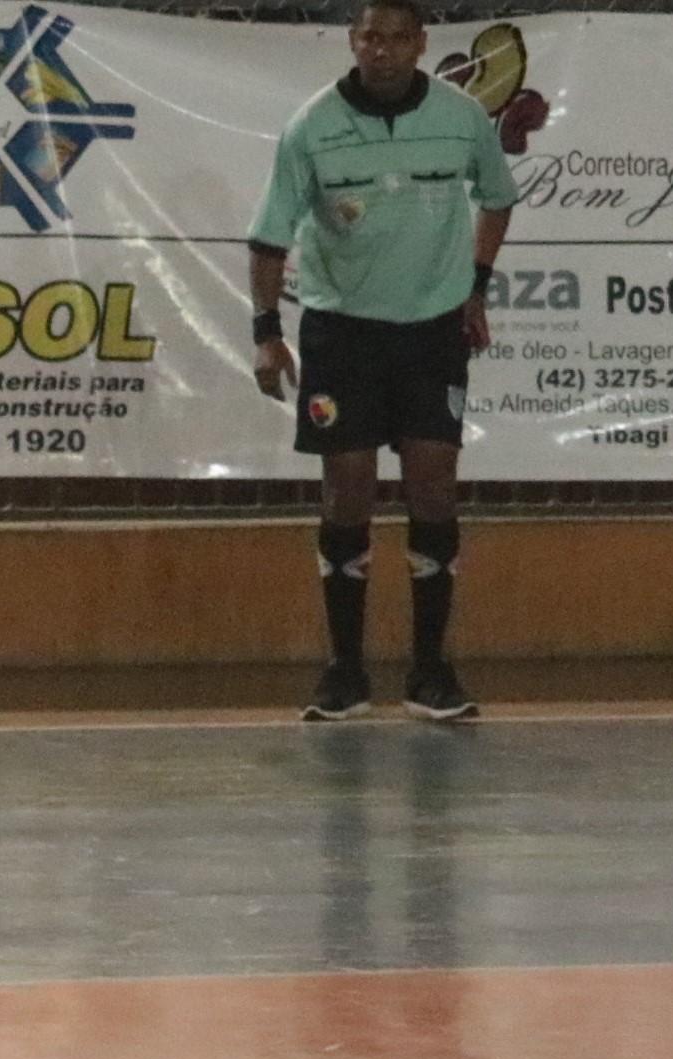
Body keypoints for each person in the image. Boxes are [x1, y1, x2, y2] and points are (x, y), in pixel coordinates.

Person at [249, 0, 518, 725]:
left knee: (433, 487)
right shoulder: (311, 126)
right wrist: (266, 330)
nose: (385, 51)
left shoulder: (462, 118)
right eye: (371, 36)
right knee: (348, 491)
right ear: (352, 40)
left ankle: (431, 671)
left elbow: (498, 197)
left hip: (432, 334)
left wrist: (475, 286)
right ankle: (344, 671)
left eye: (400, 38)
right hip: (343, 335)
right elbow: (269, 237)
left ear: (422, 43)